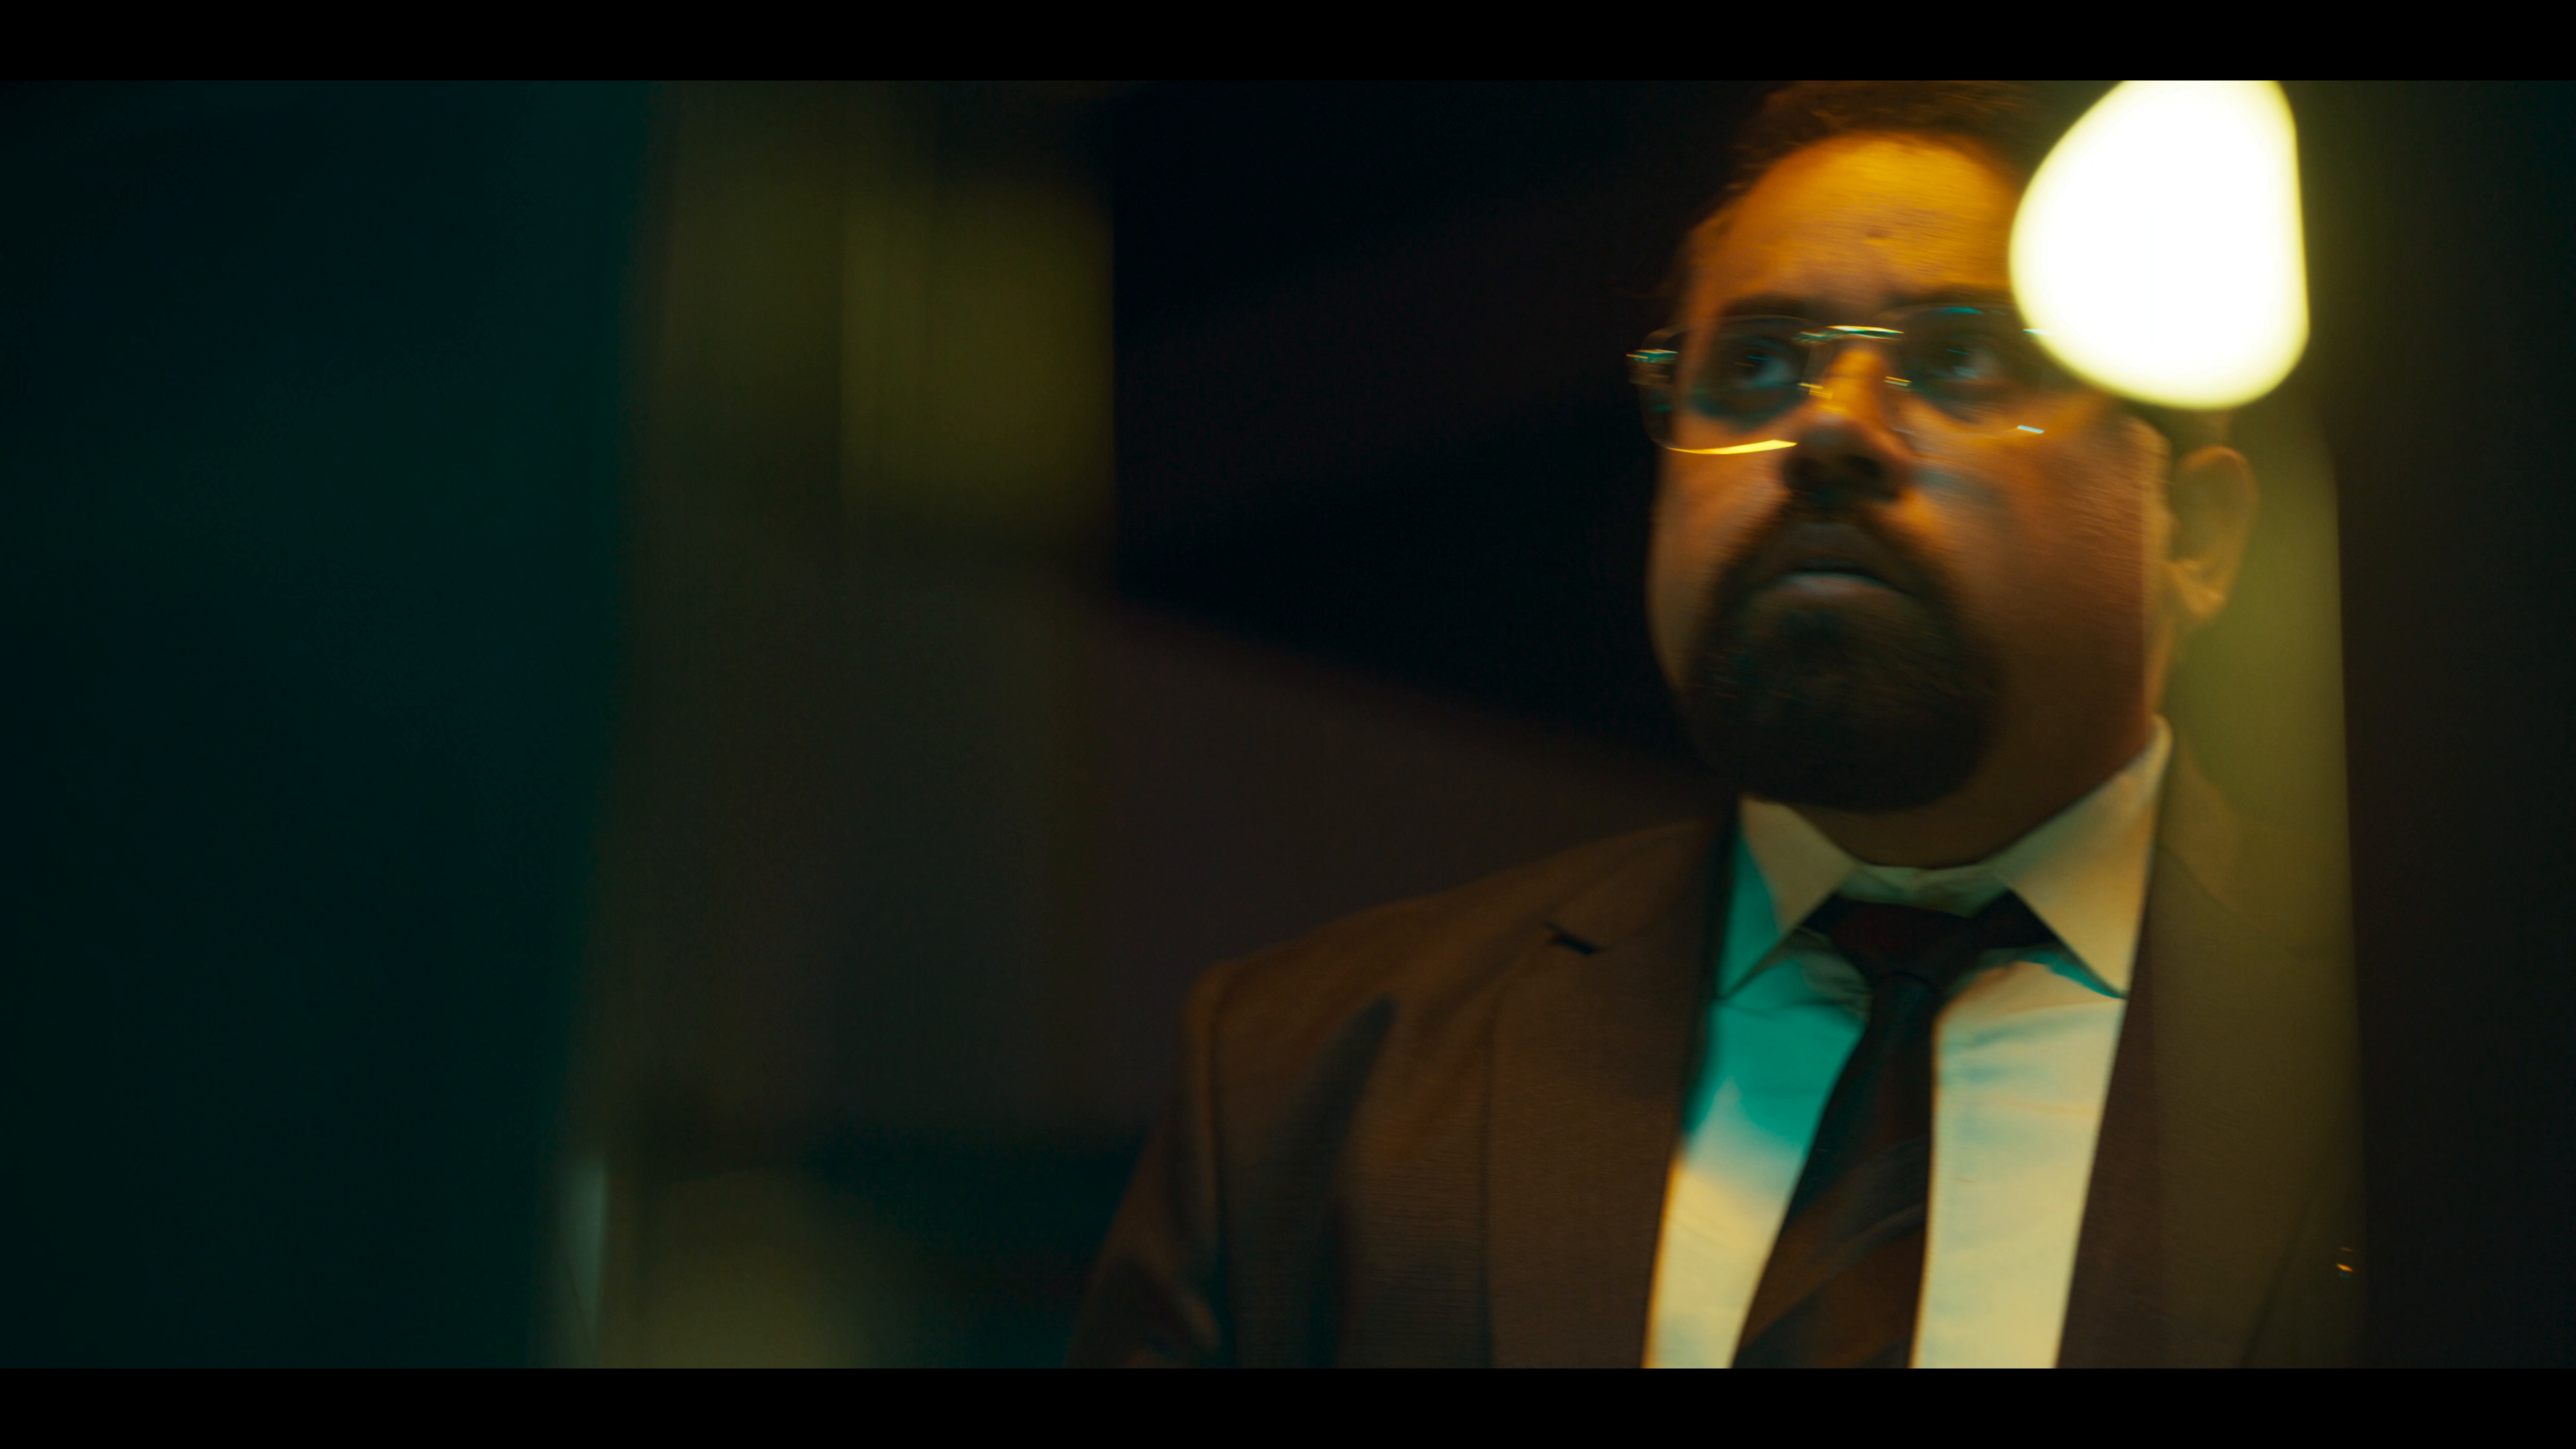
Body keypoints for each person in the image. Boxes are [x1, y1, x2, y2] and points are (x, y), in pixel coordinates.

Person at [1067, 80, 2362, 1368]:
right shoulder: (1307, 1079)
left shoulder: (2427, 1047)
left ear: (2197, 536)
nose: (1829, 429)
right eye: (1752, 369)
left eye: (1961, 358)